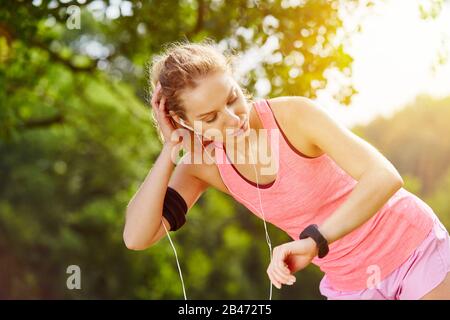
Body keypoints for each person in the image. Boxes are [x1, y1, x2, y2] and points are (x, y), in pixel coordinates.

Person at [123, 40, 450, 300]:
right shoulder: (202, 165)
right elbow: (138, 236)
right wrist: (171, 149)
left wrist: (315, 240)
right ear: (182, 121)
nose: (233, 118)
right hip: (352, 284)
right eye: (210, 118)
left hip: (411, 247)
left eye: (232, 98)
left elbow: (385, 176)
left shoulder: (293, 117)